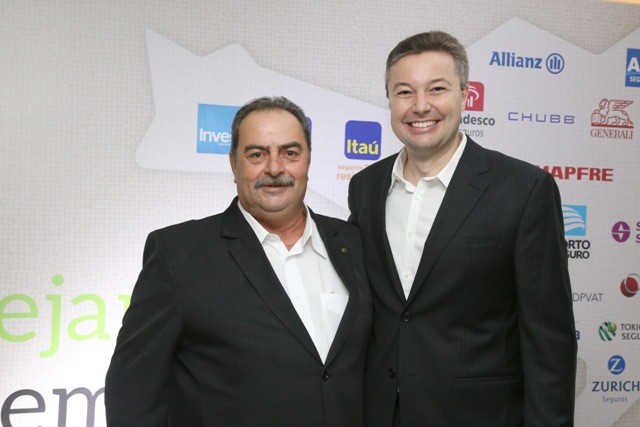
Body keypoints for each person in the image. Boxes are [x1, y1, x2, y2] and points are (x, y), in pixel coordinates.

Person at [348, 31, 576, 426]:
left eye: (437, 89)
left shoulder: (523, 189)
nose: (421, 106)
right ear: (389, 99)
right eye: (404, 92)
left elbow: (548, 338)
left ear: (465, 95)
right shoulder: (365, 186)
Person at [105, 96, 372, 426]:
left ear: (308, 160)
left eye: (290, 153)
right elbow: (133, 389)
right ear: (234, 164)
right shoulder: (179, 254)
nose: (274, 168)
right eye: (257, 154)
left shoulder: (353, 243)